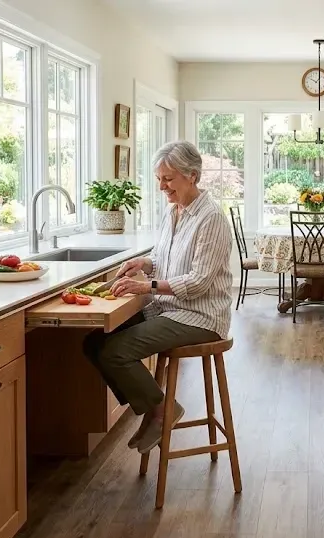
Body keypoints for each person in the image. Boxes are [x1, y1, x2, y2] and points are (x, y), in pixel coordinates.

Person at [83, 140, 233, 453]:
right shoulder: (173, 211)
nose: (162, 186)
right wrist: (145, 264)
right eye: (158, 179)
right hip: (169, 309)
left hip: (201, 316)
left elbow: (199, 282)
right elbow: (163, 256)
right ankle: (155, 409)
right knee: (94, 342)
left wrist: (146, 286)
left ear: (191, 176)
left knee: (115, 351)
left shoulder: (211, 219)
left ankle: (161, 410)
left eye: (168, 178)